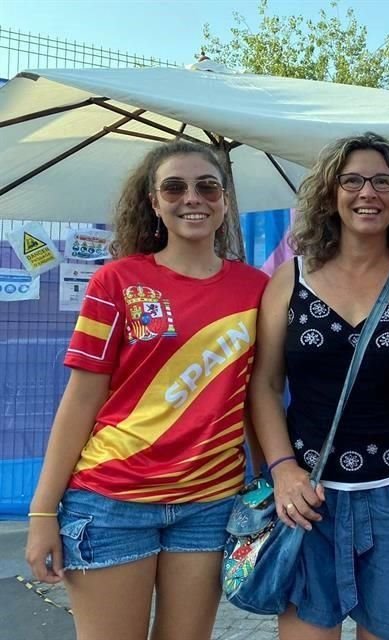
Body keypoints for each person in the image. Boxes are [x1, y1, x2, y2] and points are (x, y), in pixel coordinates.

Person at [24, 140, 269, 640]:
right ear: (154, 202)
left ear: (224, 200)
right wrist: (42, 511)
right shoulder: (116, 282)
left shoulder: (257, 289)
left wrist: (269, 480)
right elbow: (81, 399)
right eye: (174, 188)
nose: (192, 198)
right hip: (110, 501)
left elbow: (256, 395)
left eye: (207, 187)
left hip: (209, 504)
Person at [248, 132, 389, 640]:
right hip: (308, 496)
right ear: (331, 193)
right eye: (353, 181)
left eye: (383, 182)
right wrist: (281, 469)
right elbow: (265, 384)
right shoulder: (289, 280)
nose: (368, 193)